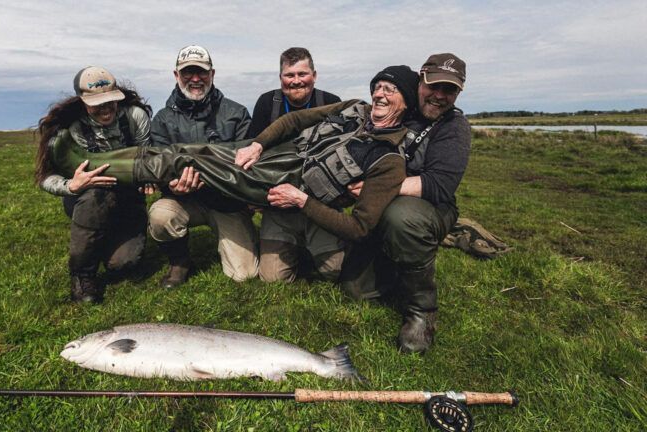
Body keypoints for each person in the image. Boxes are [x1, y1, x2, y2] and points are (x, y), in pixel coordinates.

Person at [49, 66, 420, 251]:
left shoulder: (390, 159)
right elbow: (294, 119)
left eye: (391, 91)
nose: (380, 95)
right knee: (187, 154)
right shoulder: (355, 108)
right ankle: (89, 162)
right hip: (276, 156)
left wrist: (302, 200)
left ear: (405, 103)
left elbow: (360, 228)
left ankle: (85, 162)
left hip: (289, 185)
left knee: (184, 160)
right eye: (378, 88)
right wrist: (258, 145)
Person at [341, 53, 471, 354]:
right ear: (420, 80)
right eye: (433, 86)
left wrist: (377, 189)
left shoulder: (454, 127)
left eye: (448, 90)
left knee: (402, 219)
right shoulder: (402, 110)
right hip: (383, 207)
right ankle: (394, 262)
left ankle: (421, 311)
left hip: (429, 206)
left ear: (458, 93)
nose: (439, 96)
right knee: (355, 291)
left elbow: (438, 185)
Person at [35, 66, 152, 303]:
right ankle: (82, 276)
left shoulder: (135, 117)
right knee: (96, 195)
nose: (105, 108)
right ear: (81, 100)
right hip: (89, 198)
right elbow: (45, 178)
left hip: (129, 200)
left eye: (110, 100)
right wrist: (72, 186)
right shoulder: (68, 129)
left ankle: (104, 243)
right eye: (97, 103)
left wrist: (148, 178)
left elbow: (148, 156)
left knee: (123, 264)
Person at [148, 45, 257, 288]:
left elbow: (249, 166)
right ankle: (180, 262)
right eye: (188, 72)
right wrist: (172, 186)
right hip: (183, 200)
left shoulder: (237, 113)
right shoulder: (162, 119)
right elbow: (157, 165)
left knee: (245, 275)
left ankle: (239, 235)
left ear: (212, 74)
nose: (195, 79)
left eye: (202, 72)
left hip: (227, 203)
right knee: (160, 216)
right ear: (176, 75)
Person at [248, 47, 344, 283]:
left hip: (320, 205)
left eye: (303, 74)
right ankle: (291, 245)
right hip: (279, 207)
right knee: (272, 280)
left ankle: (313, 246)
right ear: (280, 78)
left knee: (336, 271)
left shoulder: (331, 103)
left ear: (315, 75)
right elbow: (251, 152)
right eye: (289, 75)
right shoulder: (266, 103)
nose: (296, 81)